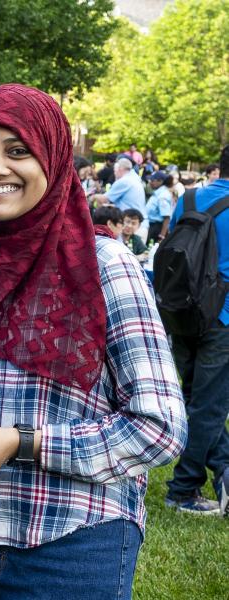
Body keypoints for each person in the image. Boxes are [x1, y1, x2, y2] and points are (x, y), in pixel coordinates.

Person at [0, 84, 186, 600]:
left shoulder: (103, 266)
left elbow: (160, 428)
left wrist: (24, 443)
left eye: (18, 151)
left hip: (71, 546)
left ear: (52, 159)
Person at [165, 144, 229, 516]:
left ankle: (223, 468)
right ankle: (184, 488)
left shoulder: (187, 199)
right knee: (209, 405)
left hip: (183, 313)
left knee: (197, 400)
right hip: (223, 318)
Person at [93, 157, 148, 240]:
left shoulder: (125, 181)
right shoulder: (135, 178)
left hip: (133, 226)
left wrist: (92, 196)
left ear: (120, 169)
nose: (114, 174)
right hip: (138, 225)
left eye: (115, 171)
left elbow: (104, 199)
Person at [146, 170, 173, 244]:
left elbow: (166, 218)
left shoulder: (162, 196)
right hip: (151, 226)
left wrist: (162, 236)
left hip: (156, 229)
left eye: (152, 180)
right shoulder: (157, 193)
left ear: (160, 181)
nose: (150, 182)